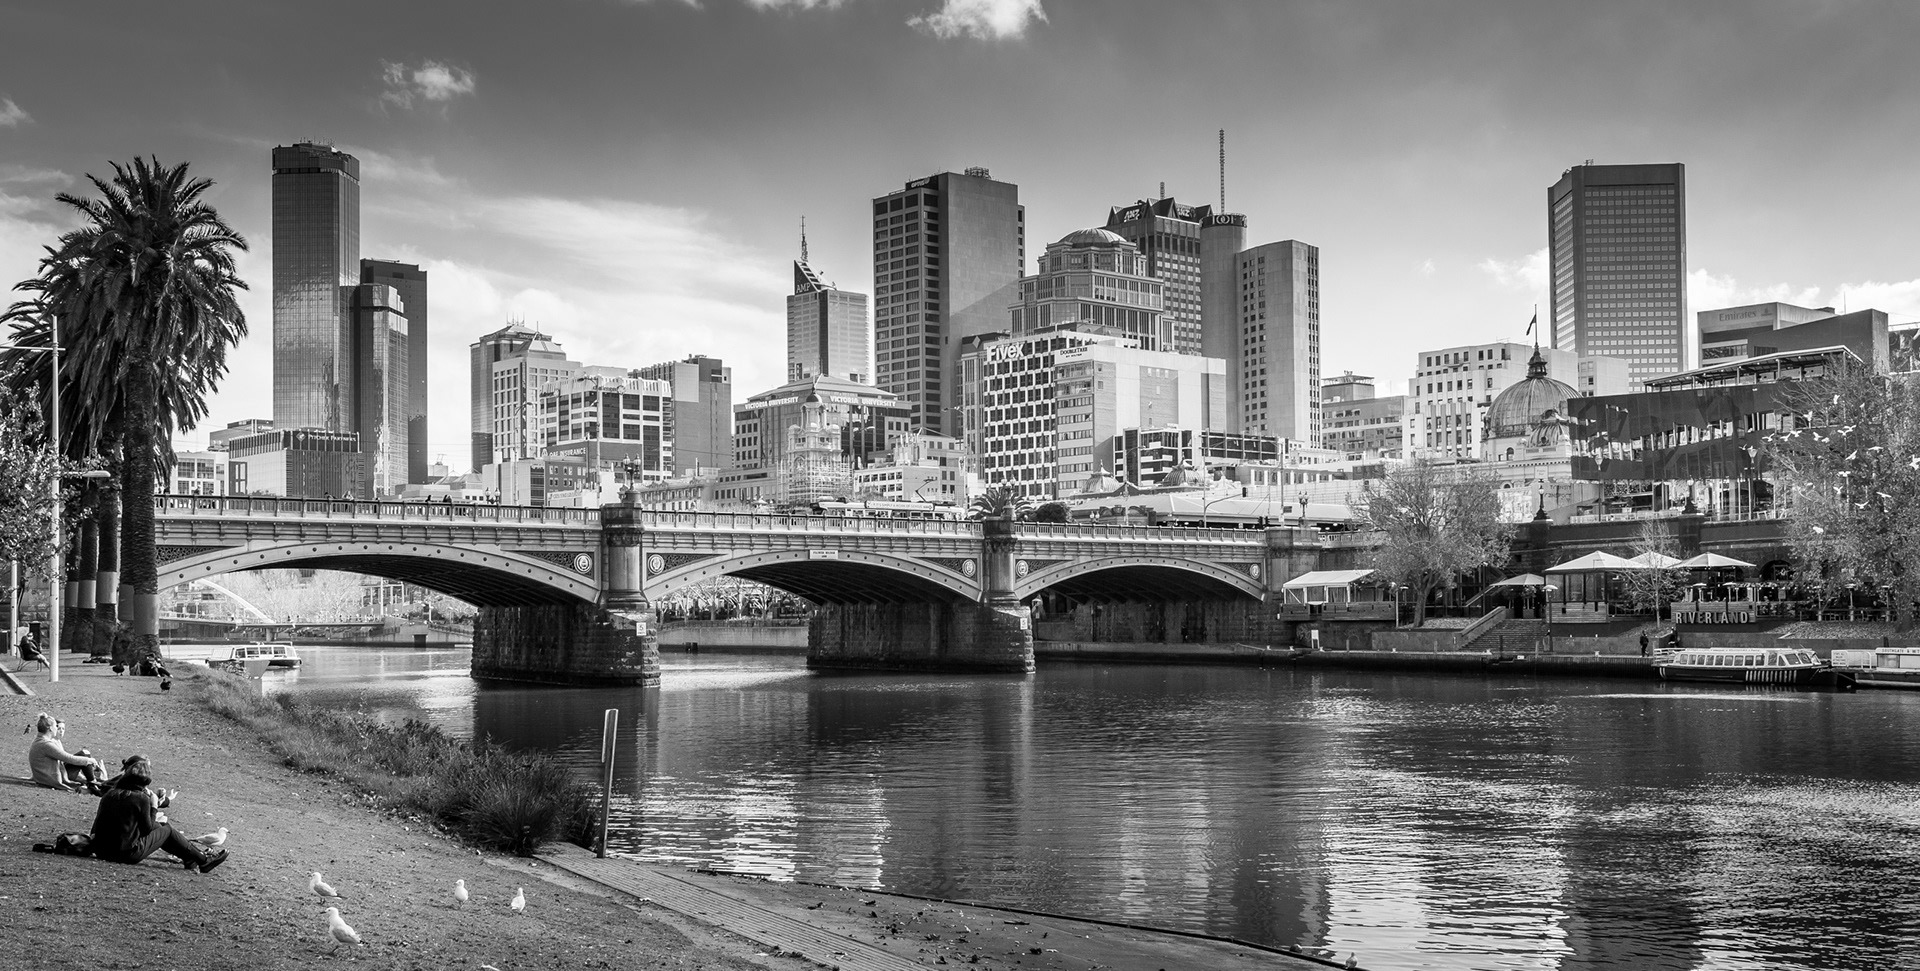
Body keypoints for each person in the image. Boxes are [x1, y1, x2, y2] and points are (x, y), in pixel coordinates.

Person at [89, 755, 225, 873]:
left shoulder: (110, 795)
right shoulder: (140, 798)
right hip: (126, 854)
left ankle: (190, 858)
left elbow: (96, 827)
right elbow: (146, 830)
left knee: (159, 826)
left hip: (102, 851)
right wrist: (153, 805)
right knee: (167, 830)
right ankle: (204, 860)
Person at [27, 713, 106, 793]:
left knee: (84, 755)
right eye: (56, 726)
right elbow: (68, 758)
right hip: (49, 779)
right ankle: (94, 785)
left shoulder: (40, 740)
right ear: (50, 728)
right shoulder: (46, 744)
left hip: (45, 778)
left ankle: (93, 783)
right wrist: (89, 760)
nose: (57, 729)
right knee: (84, 756)